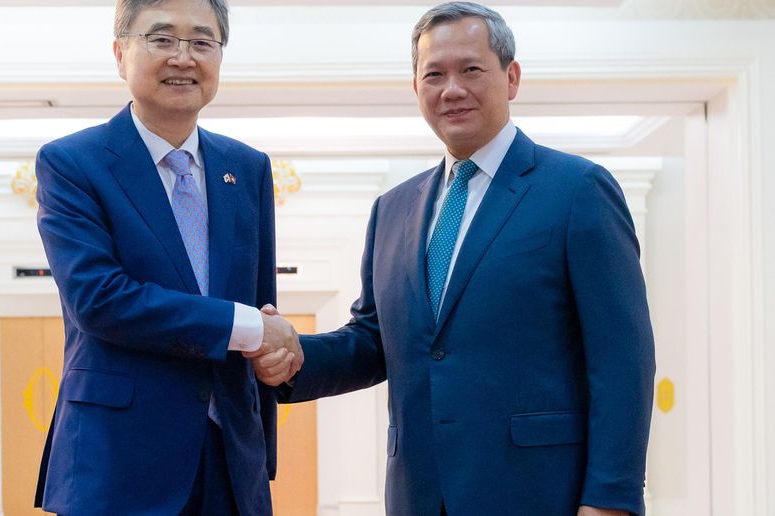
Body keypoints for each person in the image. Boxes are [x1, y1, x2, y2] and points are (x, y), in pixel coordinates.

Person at [248, 2, 655, 515]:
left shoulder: (578, 189)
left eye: (471, 70)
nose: (452, 89)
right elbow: (375, 341)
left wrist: (611, 499)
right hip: (419, 493)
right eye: (434, 75)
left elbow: (623, 359)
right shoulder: (393, 209)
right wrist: (293, 357)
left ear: (511, 77)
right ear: (416, 88)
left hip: (540, 493)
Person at [32, 0, 302, 514]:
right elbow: (98, 299)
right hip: (118, 462)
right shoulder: (72, 163)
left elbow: (261, 302)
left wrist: (261, 443)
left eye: (202, 41)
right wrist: (249, 327)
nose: (183, 57)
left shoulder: (247, 167)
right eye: (161, 39)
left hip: (230, 459)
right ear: (120, 53)